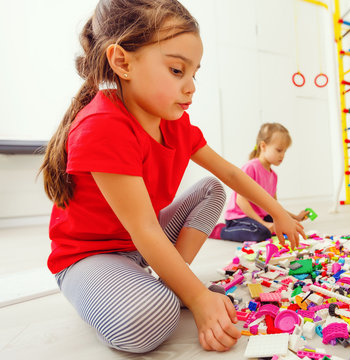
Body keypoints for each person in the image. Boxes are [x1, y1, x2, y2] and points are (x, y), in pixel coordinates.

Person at [39, 0, 304, 354]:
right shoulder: (102, 125)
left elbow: (227, 172)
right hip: (88, 255)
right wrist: (195, 295)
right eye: (177, 71)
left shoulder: (175, 123)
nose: (191, 85)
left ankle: (166, 278)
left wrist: (280, 212)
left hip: (137, 243)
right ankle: (160, 287)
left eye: (195, 72)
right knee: (151, 317)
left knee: (212, 189)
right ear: (123, 62)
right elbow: (144, 228)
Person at [218, 123, 310, 243]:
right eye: (279, 150)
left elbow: (274, 205)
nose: (282, 155)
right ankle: (221, 231)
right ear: (263, 146)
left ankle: (264, 225)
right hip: (239, 218)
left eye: (285, 151)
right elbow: (240, 200)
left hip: (257, 216)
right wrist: (264, 224)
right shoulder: (251, 167)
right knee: (262, 233)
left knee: (282, 223)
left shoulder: (274, 176)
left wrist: (294, 217)